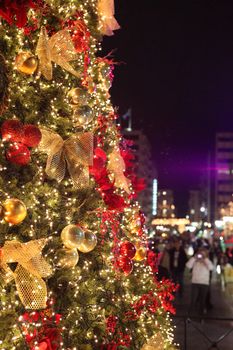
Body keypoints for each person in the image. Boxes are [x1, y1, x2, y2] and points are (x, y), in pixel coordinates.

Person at [186, 247, 214, 317]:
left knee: (202, 301)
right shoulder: (195, 261)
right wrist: (194, 258)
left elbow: (211, 268)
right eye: (200, 253)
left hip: (204, 283)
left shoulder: (207, 261)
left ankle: (201, 317)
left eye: (203, 253)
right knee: (193, 301)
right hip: (195, 282)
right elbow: (188, 265)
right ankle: (189, 316)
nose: (200, 255)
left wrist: (205, 259)